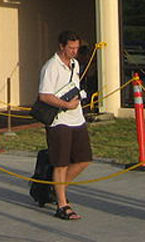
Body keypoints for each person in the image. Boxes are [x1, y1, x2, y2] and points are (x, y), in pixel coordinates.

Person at [38, 29, 92, 221]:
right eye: (70, 48)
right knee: (60, 163)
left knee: (83, 159)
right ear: (61, 46)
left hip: (77, 119)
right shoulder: (51, 67)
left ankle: (57, 188)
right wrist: (66, 105)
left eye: (76, 48)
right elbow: (44, 95)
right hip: (59, 121)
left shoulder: (75, 64)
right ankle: (62, 204)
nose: (74, 51)